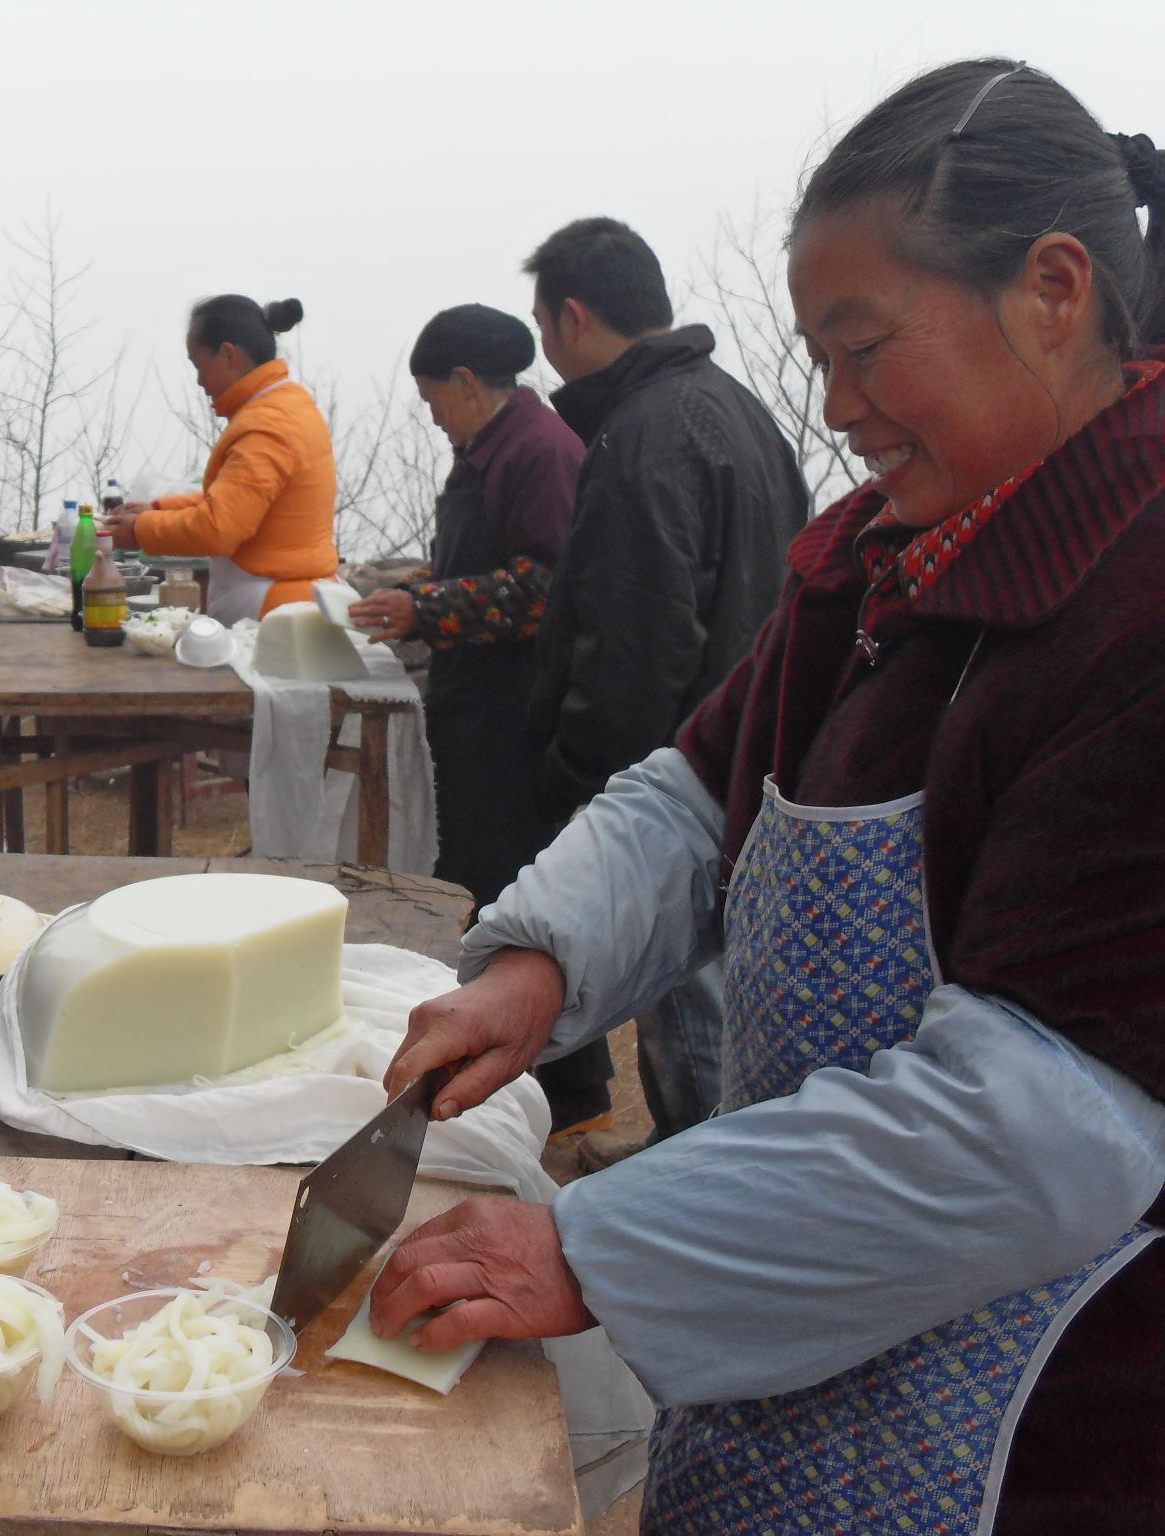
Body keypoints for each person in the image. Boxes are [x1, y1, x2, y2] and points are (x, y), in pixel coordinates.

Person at [373, 59, 1165, 1534]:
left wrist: (596, 1251)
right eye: (818, 353)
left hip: (1017, 1415)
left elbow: (1045, 1132)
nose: (837, 403)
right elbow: (695, 789)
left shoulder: (1137, 603)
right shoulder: (880, 549)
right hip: (782, 1331)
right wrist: (541, 966)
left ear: (1055, 290)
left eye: (865, 347)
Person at [520, 217, 810, 1147]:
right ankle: (685, 1167)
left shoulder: (646, 432)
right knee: (717, 1003)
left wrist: (583, 780)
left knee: (694, 1016)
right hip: (755, 752)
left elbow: (637, 644)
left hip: (684, 774)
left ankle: (697, 1198)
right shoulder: (734, 406)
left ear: (570, 317)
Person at [349, 305, 582, 911]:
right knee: (463, 876)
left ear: (466, 382)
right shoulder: (486, 447)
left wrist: (423, 607)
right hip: (471, 711)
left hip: (513, 720)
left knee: (500, 883)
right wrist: (414, 590)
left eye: (431, 401)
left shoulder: (540, 450)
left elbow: (545, 588)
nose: (432, 418)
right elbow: (479, 563)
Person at [103, 296, 338, 622]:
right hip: (287, 597)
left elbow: (219, 527)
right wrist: (159, 510)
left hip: (277, 610)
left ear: (228, 355)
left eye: (199, 366)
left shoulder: (267, 425)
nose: (199, 382)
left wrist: (141, 530)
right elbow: (235, 501)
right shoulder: (288, 404)